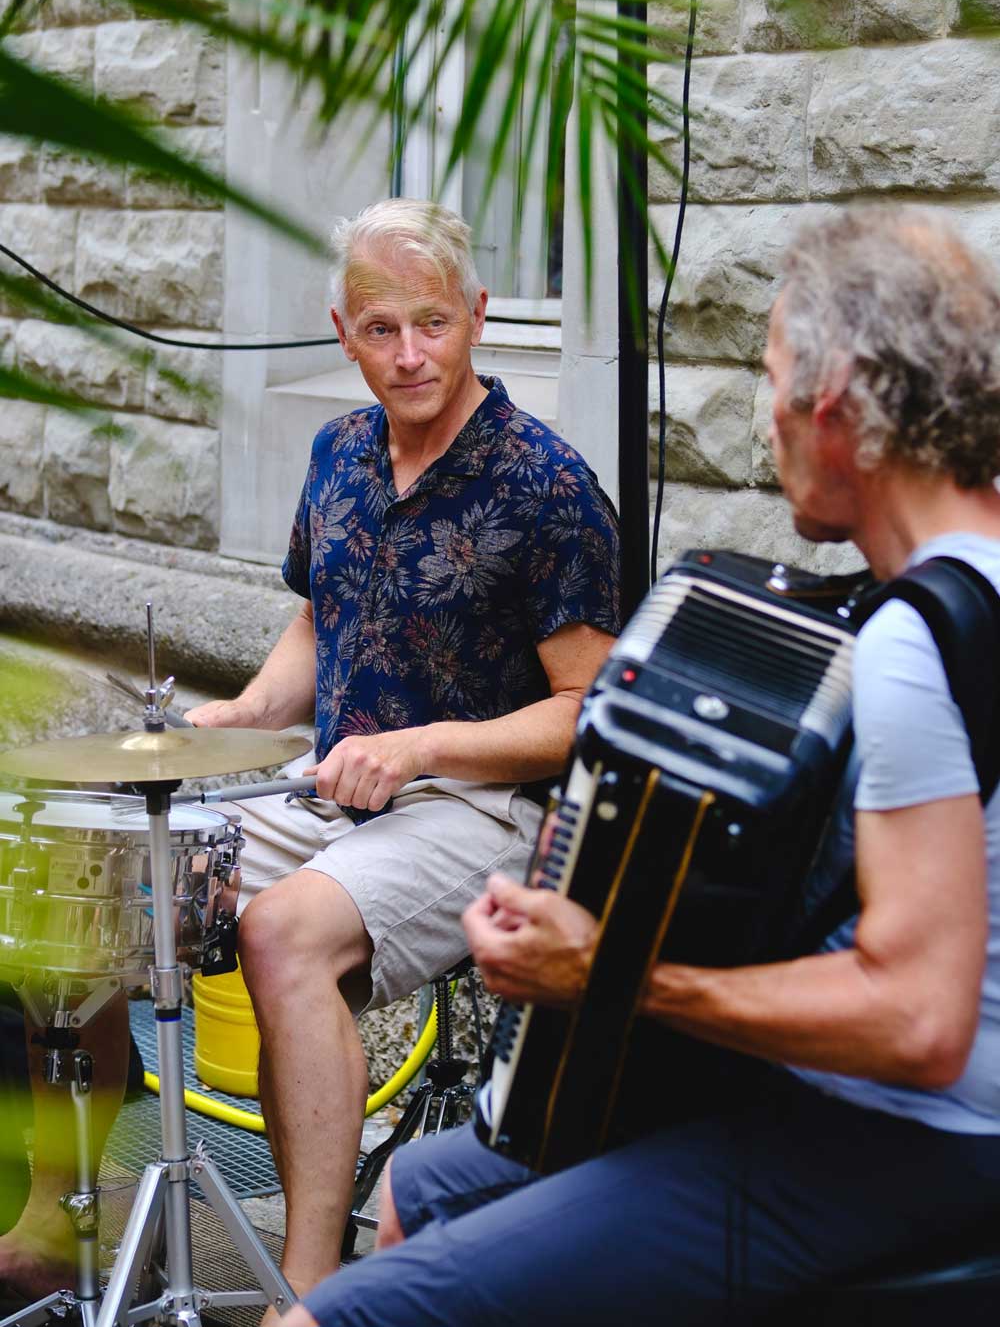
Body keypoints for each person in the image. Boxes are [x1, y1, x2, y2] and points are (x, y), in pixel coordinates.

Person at [282, 204, 1000, 1327]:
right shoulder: (966, 584)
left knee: (349, 1314)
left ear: (832, 404)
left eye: (768, 382)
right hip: (901, 1112)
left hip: (908, 1142)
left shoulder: (909, 643)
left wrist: (609, 974)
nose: (763, 425)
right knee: (421, 1185)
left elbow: (916, 1022)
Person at [181, 198, 621, 1311]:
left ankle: (310, 1295)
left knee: (281, 933)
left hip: (486, 809)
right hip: (334, 790)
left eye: (434, 322)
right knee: (116, 881)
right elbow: (319, 620)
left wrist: (420, 745)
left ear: (479, 317)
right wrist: (241, 714)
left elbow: (590, 710)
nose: (410, 353)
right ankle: (55, 1219)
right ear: (343, 331)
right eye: (382, 329)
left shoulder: (546, 484)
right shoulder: (338, 451)